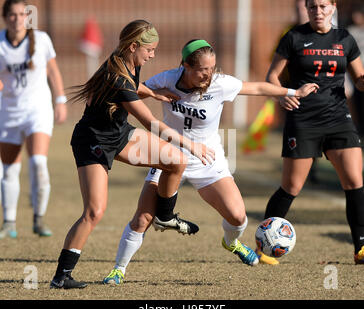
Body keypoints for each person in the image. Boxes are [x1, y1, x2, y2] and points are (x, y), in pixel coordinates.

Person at [102, 39, 318, 285]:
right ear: (185, 66)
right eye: (203, 69)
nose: (209, 74)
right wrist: (154, 92)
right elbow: (131, 89)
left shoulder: (220, 83)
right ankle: (118, 270)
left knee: (238, 217)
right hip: (168, 159)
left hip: (207, 159)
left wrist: (293, 92)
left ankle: (231, 242)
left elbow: (257, 88)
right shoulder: (168, 79)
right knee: (143, 218)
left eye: (212, 68)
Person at [49, 20, 215, 289]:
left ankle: (164, 216)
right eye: (149, 50)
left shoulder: (128, 63)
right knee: (94, 212)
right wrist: (192, 144)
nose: (152, 55)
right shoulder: (115, 76)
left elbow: (133, 87)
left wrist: (154, 92)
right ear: (133, 46)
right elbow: (151, 123)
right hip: (93, 141)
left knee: (176, 161)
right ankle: (61, 276)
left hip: (119, 133)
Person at [261, 0, 364, 265]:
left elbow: (359, 78)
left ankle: (360, 248)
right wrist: (283, 96)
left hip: (339, 118)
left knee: (354, 181)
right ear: (306, 9)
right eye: (312, 7)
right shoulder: (294, 37)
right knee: (291, 187)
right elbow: (272, 77)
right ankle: (264, 246)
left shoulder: (345, 39)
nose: (318, 12)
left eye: (323, 6)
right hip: (303, 120)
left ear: (333, 8)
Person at [0, 0, 68, 239]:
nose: (17, 19)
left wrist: (60, 100)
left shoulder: (41, 40)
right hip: (8, 111)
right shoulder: (0, 44)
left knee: (38, 162)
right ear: (5, 17)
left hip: (37, 110)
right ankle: (9, 223)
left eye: (21, 14)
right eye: (12, 15)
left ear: (27, 17)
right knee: (9, 169)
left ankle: (39, 219)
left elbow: (53, 71)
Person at [348, 3, 364, 138]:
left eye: (358, 14)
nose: (355, 17)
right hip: (355, 74)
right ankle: (358, 129)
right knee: (356, 102)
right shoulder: (349, 32)